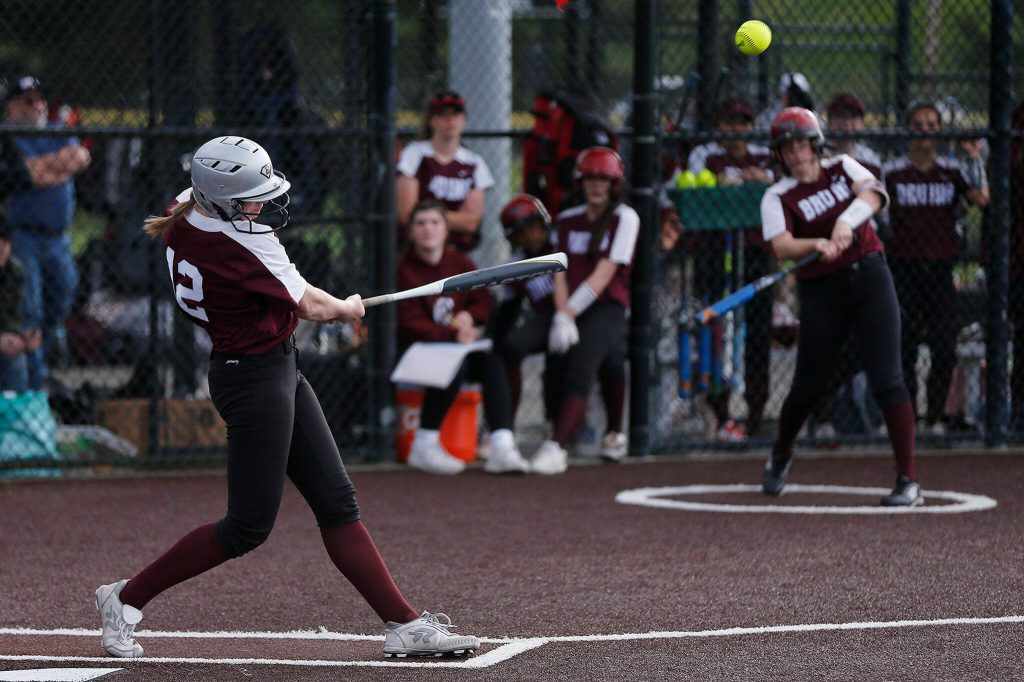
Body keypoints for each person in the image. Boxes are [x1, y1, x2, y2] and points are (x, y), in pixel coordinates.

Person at [93, 136, 479, 660]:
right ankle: (125, 599)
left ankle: (403, 624)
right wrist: (347, 308)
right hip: (252, 381)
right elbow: (313, 307)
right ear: (222, 199)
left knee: (337, 503)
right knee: (246, 528)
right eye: (251, 199)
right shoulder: (241, 243)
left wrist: (334, 305)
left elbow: (292, 296)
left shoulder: (188, 209)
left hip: (271, 368)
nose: (263, 205)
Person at [758, 107, 922, 507]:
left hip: (870, 275)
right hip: (821, 289)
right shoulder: (777, 196)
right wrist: (815, 244)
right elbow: (780, 245)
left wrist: (845, 224)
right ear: (778, 155)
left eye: (802, 144)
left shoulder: (841, 166)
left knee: (889, 378)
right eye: (787, 148)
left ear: (815, 143)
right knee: (807, 388)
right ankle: (781, 453)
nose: (797, 154)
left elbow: (874, 195)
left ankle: (908, 481)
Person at [491, 193, 628, 461]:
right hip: (547, 318)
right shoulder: (514, 266)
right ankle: (504, 430)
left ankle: (613, 432)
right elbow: (509, 308)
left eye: (535, 226)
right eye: (523, 231)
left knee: (611, 356)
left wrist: (568, 315)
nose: (532, 235)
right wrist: (491, 334)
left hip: (584, 311)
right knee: (510, 347)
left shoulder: (564, 247)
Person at [398, 199, 530, 475]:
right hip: (420, 350)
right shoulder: (403, 269)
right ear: (410, 231)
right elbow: (409, 322)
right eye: (420, 224)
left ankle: (501, 445)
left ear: (446, 230)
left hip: (459, 346)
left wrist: (471, 317)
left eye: (435, 222)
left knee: (492, 362)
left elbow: (483, 300)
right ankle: (424, 444)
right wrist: (451, 333)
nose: (428, 229)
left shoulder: (460, 262)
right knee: (452, 366)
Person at [883, 102, 990, 435]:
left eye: (932, 124)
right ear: (909, 129)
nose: (925, 130)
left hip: (941, 269)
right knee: (905, 347)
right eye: (919, 123)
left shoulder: (951, 170)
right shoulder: (893, 171)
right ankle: (908, 417)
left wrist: (973, 156)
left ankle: (934, 418)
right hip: (904, 269)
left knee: (945, 346)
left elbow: (982, 198)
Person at [533, 147, 639, 474]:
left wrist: (569, 314)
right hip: (571, 307)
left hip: (607, 305)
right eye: (590, 179)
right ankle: (606, 433)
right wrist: (561, 312)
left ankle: (558, 445)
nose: (596, 186)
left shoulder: (625, 218)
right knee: (590, 359)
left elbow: (605, 274)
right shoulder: (566, 220)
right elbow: (559, 271)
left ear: (614, 183)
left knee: (585, 362)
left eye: (603, 180)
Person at [686, 98, 775, 438]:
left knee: (757, 333)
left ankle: (755, 413)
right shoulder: (704, 154)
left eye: (743, 123)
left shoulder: (763, 155)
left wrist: (759, 178)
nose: (736, 131)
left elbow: (775, 183)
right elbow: (698, 187)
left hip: (753, 253)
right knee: (713, 329)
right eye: (729, 124)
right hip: (714, 251)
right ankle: (720, 412)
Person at [3, 75, 91, 389]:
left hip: (58, 237)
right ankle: (34, 380)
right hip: (23, 235)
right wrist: (57, 166)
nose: (38, 105)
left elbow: (81, 157)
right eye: (28, 100)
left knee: (64, 294)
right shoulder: (9, 137)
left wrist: (42, 168)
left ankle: (38, 360)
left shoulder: (56, 130)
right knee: (30, 307)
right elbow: (24, 176)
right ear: (11, 108)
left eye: (40, 98)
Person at [396, 90, 494, 252]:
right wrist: (452, 219)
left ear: (463, 119)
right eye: (442, 114)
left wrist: (427, 219)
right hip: (416, 249)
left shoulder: (474, 162)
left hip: (456, 249)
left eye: (456, 114)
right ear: (431, 120)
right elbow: (407, 214)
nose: (450, 120)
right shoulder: (413, 155)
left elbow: (471, 223)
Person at [0, 211, 41, 392]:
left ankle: (13, 414)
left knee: (17, 360)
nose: (2, 248)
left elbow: (12, 317)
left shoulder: (13, 271)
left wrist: (20, 339)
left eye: (6, 241)